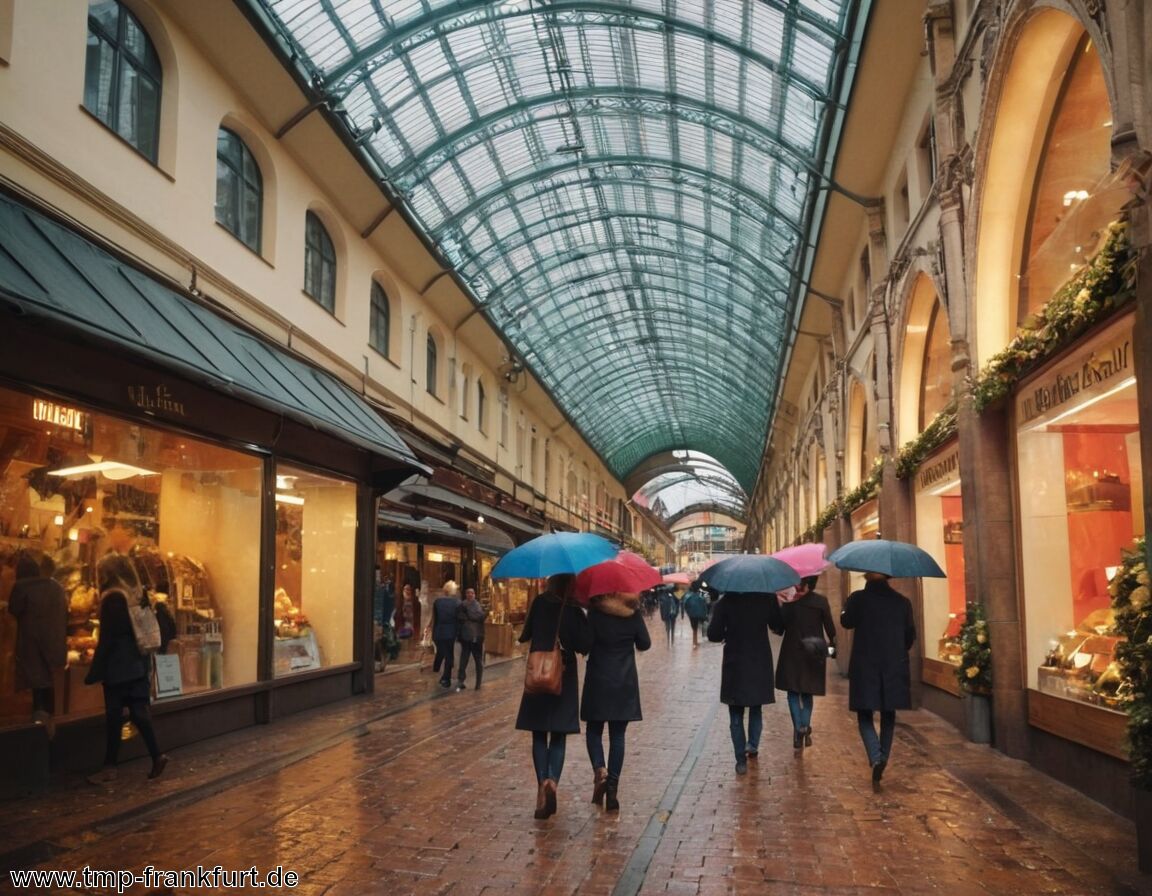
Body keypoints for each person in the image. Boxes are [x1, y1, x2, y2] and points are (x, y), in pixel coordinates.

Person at [515, 573, 592, 819]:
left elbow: (524, 634)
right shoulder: (574, 610)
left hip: (538, 673)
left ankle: (541, 785)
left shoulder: (539, 603)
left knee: (539, 732)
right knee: (558, 734)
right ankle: (553, 782)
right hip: (564, 676)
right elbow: (584, 645)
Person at [85, 560, 168, 784]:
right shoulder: (136, 594)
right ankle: (157, 755)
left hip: (118, 664)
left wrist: (95, 670)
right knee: (139, 712)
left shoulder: (113, 597)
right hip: (137, 662)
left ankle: (110, 767)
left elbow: (108, 638)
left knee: (114, 716)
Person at [840, 571, 917, 784]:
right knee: (888, 713)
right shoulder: (902, 602)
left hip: (866, 665)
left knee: (864, 713)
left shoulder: (858, 599)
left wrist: (847, 604)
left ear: (867, 576)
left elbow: (846, 621)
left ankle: (875, 756)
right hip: (893, 665)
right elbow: (910, 635)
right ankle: (882, 757)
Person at [581, 590, 651, 812]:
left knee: (594, 730)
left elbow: (585, 645)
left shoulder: (595, 613)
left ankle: (600, 770)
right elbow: (645, 643)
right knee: (618, 735)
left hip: (598, 679)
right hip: (623, 680)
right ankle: (612, 790)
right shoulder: (632, 613)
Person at [707, 590, 783, 774]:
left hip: (736, 661)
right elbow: (778, 626)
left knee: (735, 713)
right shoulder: (767, 598)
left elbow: (713, 634)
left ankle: (740, 759)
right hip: (759, 660)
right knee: (756, 707)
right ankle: (753, 745)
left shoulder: (725, 602)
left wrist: (727, 631)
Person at [8, 553, 68, 737]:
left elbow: (14, 610)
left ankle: (37, 731)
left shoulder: (21, 587)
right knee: (49, 685)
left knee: (36, 687)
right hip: (55, 642)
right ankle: (50, 728)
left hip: (31, 644)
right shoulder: (56, 587)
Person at [775, 575, 837, 751]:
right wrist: (832, 650)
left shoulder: (790, 603)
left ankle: (799, 729)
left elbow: (779, 628)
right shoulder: (821, 602)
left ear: (804, 584)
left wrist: (780, 607)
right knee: (807, 693)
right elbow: (831, 630)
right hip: (813, 652)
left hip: (792, 653)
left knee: (793, 693)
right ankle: (804, 726)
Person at [455, 586, 487, 691]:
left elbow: (480, 617)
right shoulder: (462, 605)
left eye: (472, 593)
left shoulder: (478, 605)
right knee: (464, 659)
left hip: (476, 637)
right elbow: (461, 618)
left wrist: (471, 616)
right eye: (468, 593)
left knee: (477, 660)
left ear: (474, 595)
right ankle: (461, 681)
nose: (470, 595)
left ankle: (478, 683)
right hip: (467, 637)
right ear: (466, 594)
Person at [430, 581, 461, 688]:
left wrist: (432, 632)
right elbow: (459, 619)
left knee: (442, 652)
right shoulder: (457, 603)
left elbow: (435, 619)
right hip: (451, 632)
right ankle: (445, 678)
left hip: (439, 632)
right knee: (449, 655)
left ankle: (437, 669)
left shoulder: (437, 602)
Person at [373, 568, 396, 672]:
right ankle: (381, 661)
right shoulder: (380, 589)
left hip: (379, 620)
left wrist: (385, 620)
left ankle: (381, 661)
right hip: (378, 620)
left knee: (379, 642)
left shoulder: (382, 589)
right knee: (378, 642)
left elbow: (389, 605)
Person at [682, 581, 710, 648]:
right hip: (700, 613)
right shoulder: (701, 594)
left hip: (692, 614)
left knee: (694, 628)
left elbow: (685, 605)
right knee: (698, 626)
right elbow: (706, 604)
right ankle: (695, 642)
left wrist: (687, 612)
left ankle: (694, 642)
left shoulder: (688, 595)